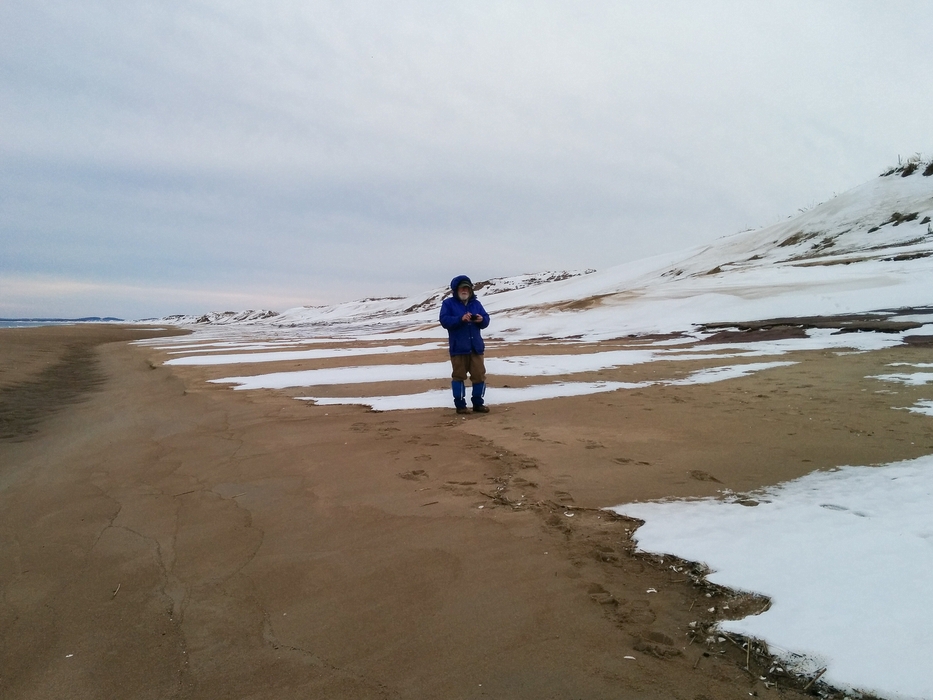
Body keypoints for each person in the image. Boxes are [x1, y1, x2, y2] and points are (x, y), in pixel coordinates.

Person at [439, 275, 490, 414]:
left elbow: (486, 319)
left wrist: (481, 320)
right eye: (462, 288)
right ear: (456, 290)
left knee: (479, 376)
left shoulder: (476, 304)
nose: (465, 290)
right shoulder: (448, 304)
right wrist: (460, 319)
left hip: (476, 347)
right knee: (458, 376)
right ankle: (460, 406)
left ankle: (478, 404)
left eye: (467, 288)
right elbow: (444, 321)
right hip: (458, 348)